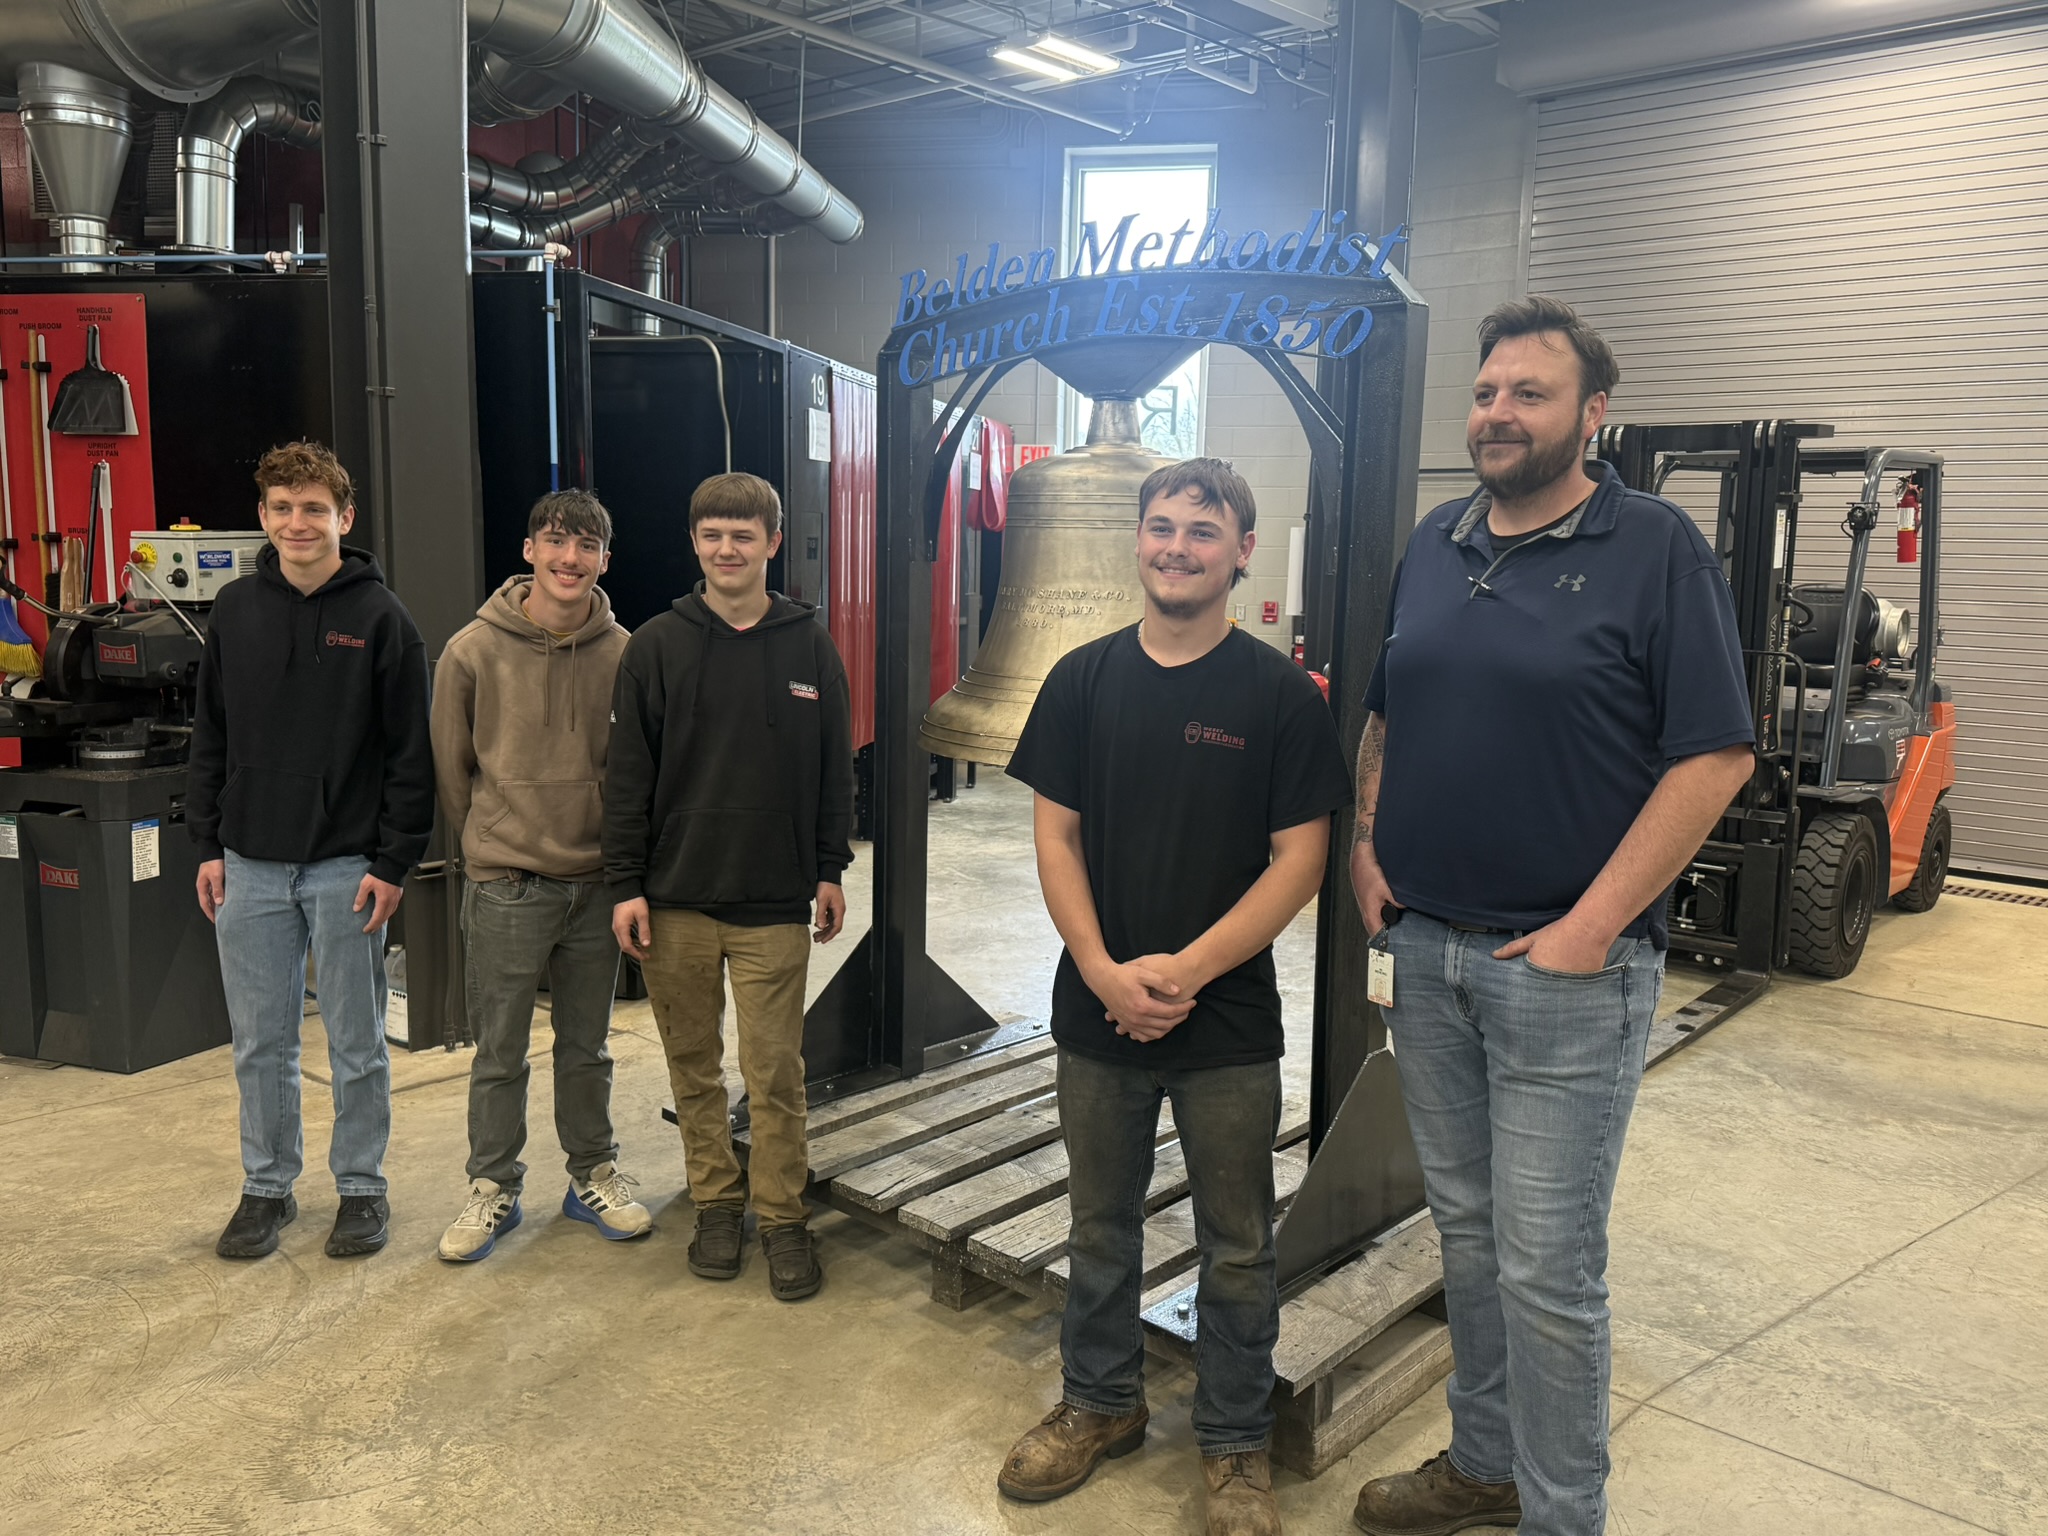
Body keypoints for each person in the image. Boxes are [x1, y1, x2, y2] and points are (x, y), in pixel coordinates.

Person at [1348, 297, 1755, 1536]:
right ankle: (1484, 1465)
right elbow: (1385, 709)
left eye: (1528, 393)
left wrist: (1589, 928)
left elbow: (1714, 757)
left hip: (1565, 978)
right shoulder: (1435, 539)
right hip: (1425, 953)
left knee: (1546, 1273)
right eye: (1484, 392)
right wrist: (1366, 840)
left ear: (1591, 414)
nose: (1496, 412)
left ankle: (1562, 1516)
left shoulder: (1653, 546)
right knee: (1465, 1244)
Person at [998, 458, 1351, 1536]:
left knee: (1236, 1243)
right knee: (1099, 1226)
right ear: (1137, 540)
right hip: (1093, 1010)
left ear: (1241, 552)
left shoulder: (1281, 698)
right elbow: (1052, 835)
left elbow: (1299, 861)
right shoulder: (1079, 680)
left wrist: (1186, 972)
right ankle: (1099, 1404)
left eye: (1203, 530)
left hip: (1226, 1025)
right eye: (1161, 527)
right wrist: (1104, 969)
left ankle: (1234, 1446)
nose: (1177, 546)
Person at [603, 471, 853, 1303]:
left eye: (744, 534)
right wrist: (627, 883)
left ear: (772, 543)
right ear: (695, 543)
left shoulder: (809, 644)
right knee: (693, 1064)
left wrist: (828, 866)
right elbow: (627, 775)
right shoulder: (657, 645)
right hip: (675, 899)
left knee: (775, 1070)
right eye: (712, 534)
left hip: (774, 899)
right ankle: (716, 1201)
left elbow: (832, 770)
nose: (727, 548)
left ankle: (782, 1216)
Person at [190, 441, 434, 1261]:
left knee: (356, 1040)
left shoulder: (382, 619)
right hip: (250, 864)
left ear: (345, 518)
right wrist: (208, 843)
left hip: (345, 869)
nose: (300, 523)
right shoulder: (233, 611)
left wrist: (393, 863)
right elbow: (210, 737)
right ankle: (267, 1188)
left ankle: (361, 1189)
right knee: (261, 1041)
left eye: (315, 509)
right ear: (264, 516)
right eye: (284, 508)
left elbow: (410, 757)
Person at [430, 489, 651, 1263]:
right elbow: (454, 773)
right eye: (556, 542)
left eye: (586, 546)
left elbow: (634, 772)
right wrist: (494, 844)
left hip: (595, 887)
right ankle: (493, 1188)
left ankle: (591, 1174)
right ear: (528, 551)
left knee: (587, 1047)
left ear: (603, 560)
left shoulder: (626, 654)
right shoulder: (472, 651)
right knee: (499, 1051)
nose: (570, 558)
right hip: (507, 885)